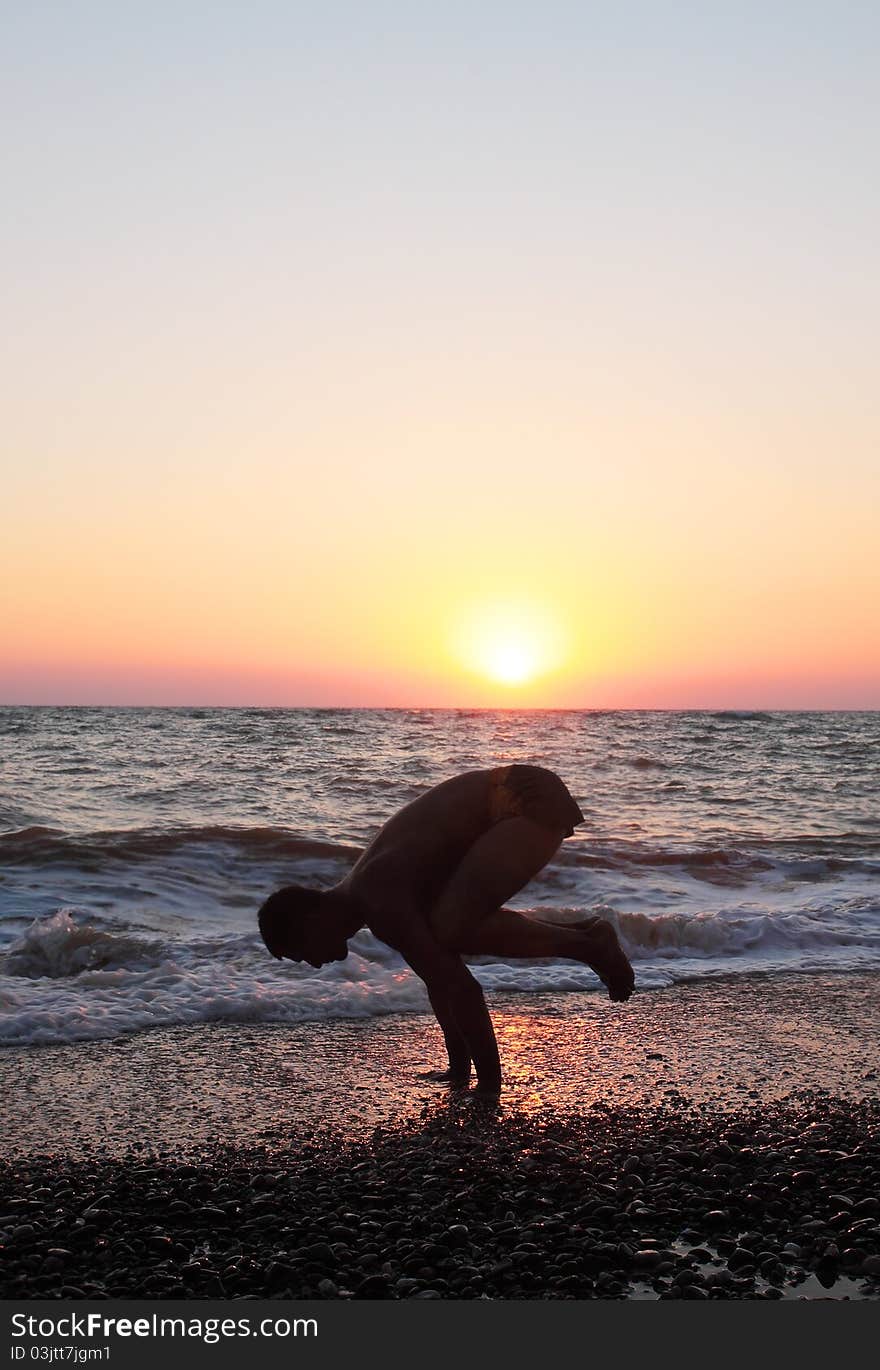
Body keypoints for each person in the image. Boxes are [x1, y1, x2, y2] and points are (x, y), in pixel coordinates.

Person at [257, 764, 634, 1095]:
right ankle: (588, 937)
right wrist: (458, 1070)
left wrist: (488, 1088)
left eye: (300, 953)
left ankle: (589, 944)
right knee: (446, 932)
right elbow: (439, 981)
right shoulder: (370, 895)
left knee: (453, 929)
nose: (312, 964)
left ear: (309, 921)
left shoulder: (377, 900)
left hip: (522, 798)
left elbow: (463, 988)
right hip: (519, 792)